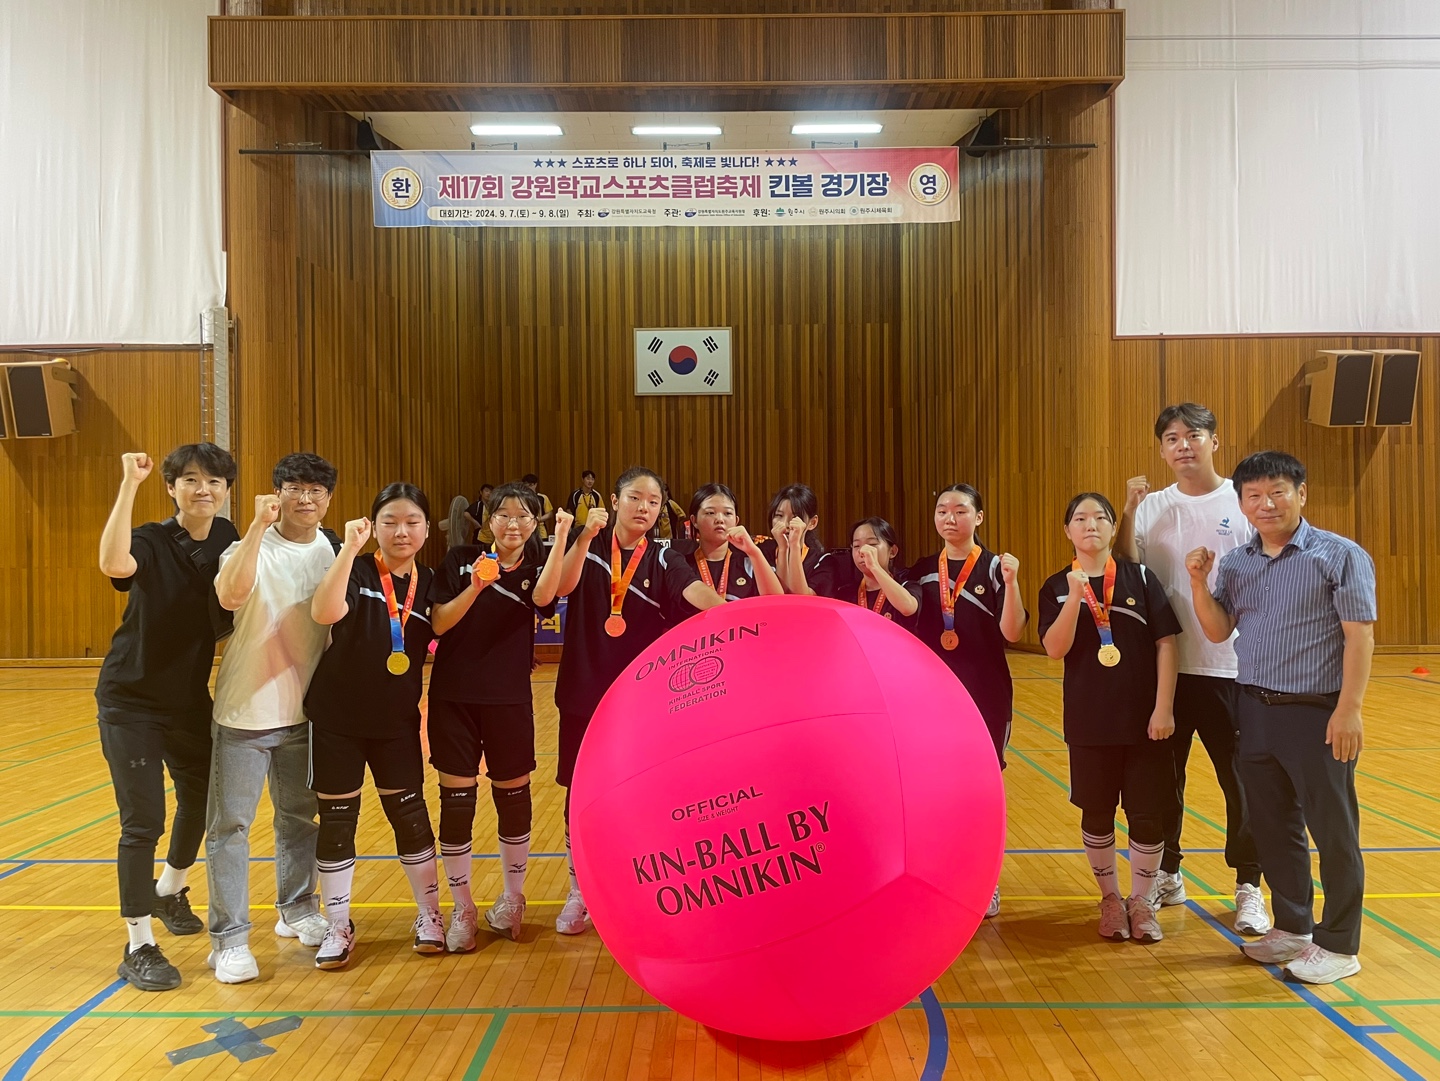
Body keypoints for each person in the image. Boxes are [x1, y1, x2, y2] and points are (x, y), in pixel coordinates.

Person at [1188, 451, 1375, 985]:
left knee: (1333, 830)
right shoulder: (1238, 562)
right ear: (1242, 502)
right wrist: (1199, 583)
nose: (1265, 503)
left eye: (1277, 491)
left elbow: (1359, 636)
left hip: (1319, 712)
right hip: (1254, 707)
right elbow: (1219, 631)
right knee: (1272, 825)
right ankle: (1294, 926)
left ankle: (1340, 944)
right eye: (1253, 495)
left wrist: (1349, 709)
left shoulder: (1339, 555)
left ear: (1301, 493)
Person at [1114, 403, 1269, 935]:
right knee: (1162, 781)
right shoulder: (1151, 505)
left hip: (1233, 667)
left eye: (1194, 435)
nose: (1183, 445)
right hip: (1167, 671)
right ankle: (1169, 873)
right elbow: (1120, 568)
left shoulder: (1242, 500)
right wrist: (1128, 510)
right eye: (1172, 438)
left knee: (1241, 782)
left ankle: (1249, 883)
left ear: (1214, 443)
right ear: (1161, 448)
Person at [552, 468, 727, 934]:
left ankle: (637, 888)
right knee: (579, 797)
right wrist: (584, 537)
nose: (644, 507)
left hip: (641, 704)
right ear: (613, 499)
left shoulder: (665, 556)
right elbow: (560, 590)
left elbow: (692, 590)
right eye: (635, 497)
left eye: (653, 501)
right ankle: (579, 889)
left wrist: (730, 610)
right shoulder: (590, 549)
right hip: (583, 694)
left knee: (643, 794)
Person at [96, 445, 240, 991]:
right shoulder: (152, 540)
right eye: (191, 480)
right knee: (143, 822)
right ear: (173, 488)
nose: (203, 489)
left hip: (186, 699)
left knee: (203, 796)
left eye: (214, 481)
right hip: (129, 699)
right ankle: (138, 944)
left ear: (226, 489)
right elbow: (114, 565)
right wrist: (129, 484)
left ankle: (169, 889)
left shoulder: (227, 535)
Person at [206, 453, 338, 984]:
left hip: (303, 714)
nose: (305, 498)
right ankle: (230, 940)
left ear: (328, 499)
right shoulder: (248, 546)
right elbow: (230, 596)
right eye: (294, 487)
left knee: (298, 820)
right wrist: (258, 527)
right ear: (276, 492)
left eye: (316, 490)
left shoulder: (328, 547)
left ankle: (298, 909)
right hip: (244, 713)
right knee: (231, 828)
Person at [427, 482, 568, 949]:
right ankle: (463, 907)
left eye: (525, 517)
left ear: (535, 525)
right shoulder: (460, 559)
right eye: (504, 515)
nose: (514, 524)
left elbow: (547, 600)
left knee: (514, 796)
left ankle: (512, 898)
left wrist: (566, 535)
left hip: (509, 699)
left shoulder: (536, 569)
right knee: (457, 801)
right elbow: (440, 623)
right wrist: (476, 585)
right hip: (454, 699)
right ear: (488, 519)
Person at [305, 483, 440, 970]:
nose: (401, 531)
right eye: (390, 522)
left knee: (410, 816)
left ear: (427, 528)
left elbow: (443, 625)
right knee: (338, 822)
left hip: (396, 722)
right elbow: (324, 613)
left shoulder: (431, 582)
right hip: (337, 718)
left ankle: (429, 914)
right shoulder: (356, 567)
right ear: (373, 525)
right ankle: (338, 923)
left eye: (411, 522)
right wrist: (349, 549)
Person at [1038, 493, 1180, 946]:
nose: (1091, 524)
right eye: (1079, 518)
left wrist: (1163, 708)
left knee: (1146, 814)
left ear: (1112, 528)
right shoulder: (1055, 586)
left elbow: (1166, 644)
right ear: (1068, 531)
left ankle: (1141, 901)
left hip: (1144, 722)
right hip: (1088, 722)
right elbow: (1054, 648)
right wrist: (1076, 595)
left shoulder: (1139, 576)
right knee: (1097, 813)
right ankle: (1110, 899)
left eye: (1100, 516)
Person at [908, 485, 1025, 917]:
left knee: (983, 791)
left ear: (978, 518)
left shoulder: (995, 567)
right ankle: (941, 872)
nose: (950, 518)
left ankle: (985, 880)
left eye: (960, 510)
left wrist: (1013, 584)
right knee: (935, 789)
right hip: (931, 697)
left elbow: (1013, 632)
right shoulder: (922, 570)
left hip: (986, 695)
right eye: (942, 510)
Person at [680, 483, 783, 603]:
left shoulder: (749, 561)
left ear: (736, 521)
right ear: (694, 520)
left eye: (727, 513)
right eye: (710, 513)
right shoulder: (681, 563)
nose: (720, 519)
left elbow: (776, 602)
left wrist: (753, 552)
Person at [756, 483, 851, 598]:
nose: (785, 524)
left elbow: (803, 599)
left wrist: (794, 545)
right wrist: (783, 549)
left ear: (812, 523)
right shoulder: (760, 553)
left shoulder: (823, 562)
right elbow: (777, 597)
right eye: (779, 515)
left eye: (795, 517)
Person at [846, 518, 918, 624]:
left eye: (872, 544)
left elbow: (908, 608)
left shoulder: (907, 586)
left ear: (892, 551)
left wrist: (874, 566)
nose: (862, 551)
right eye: (856, 546)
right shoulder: (845, 593)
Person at [521, 474, 555, 541]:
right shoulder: (520, 498)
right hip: (525, 529)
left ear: (535, 484)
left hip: (540, 530)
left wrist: (539, 519)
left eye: (530, 485)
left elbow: (550, 514)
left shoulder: (542, 497)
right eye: (526, 485)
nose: (528, 487)